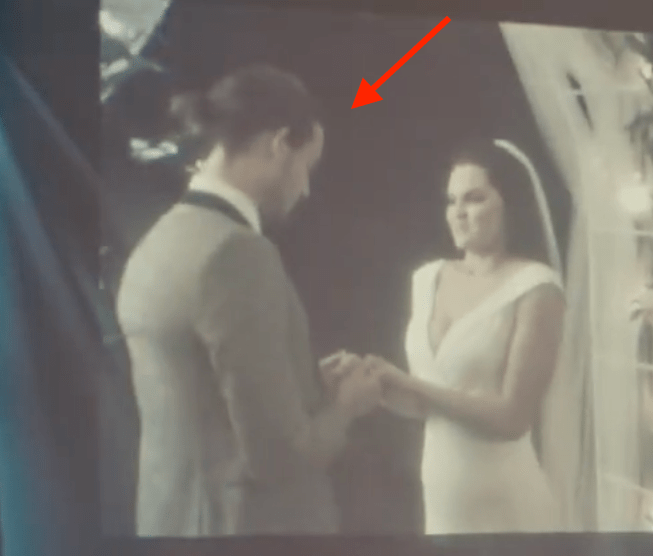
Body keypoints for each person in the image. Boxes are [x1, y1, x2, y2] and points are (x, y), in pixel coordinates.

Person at [115, 65, 382, 537]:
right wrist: (347, 406)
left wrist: (304, 383)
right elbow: (280, 460)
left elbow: (202, 396)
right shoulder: (235, 253)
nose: (305, 188)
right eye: (306, 167)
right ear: (278, 145)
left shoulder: (157, 242)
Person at [362, 138, 567, 534]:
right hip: (443, 504)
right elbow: (427, 407)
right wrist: (375, 384)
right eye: (451, 200)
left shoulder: (537, 288)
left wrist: (409, 384)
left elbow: (513, 418)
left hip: (508, 506)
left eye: (474, 199)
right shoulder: (427, 278)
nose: (458, 212)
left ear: (508, 204)